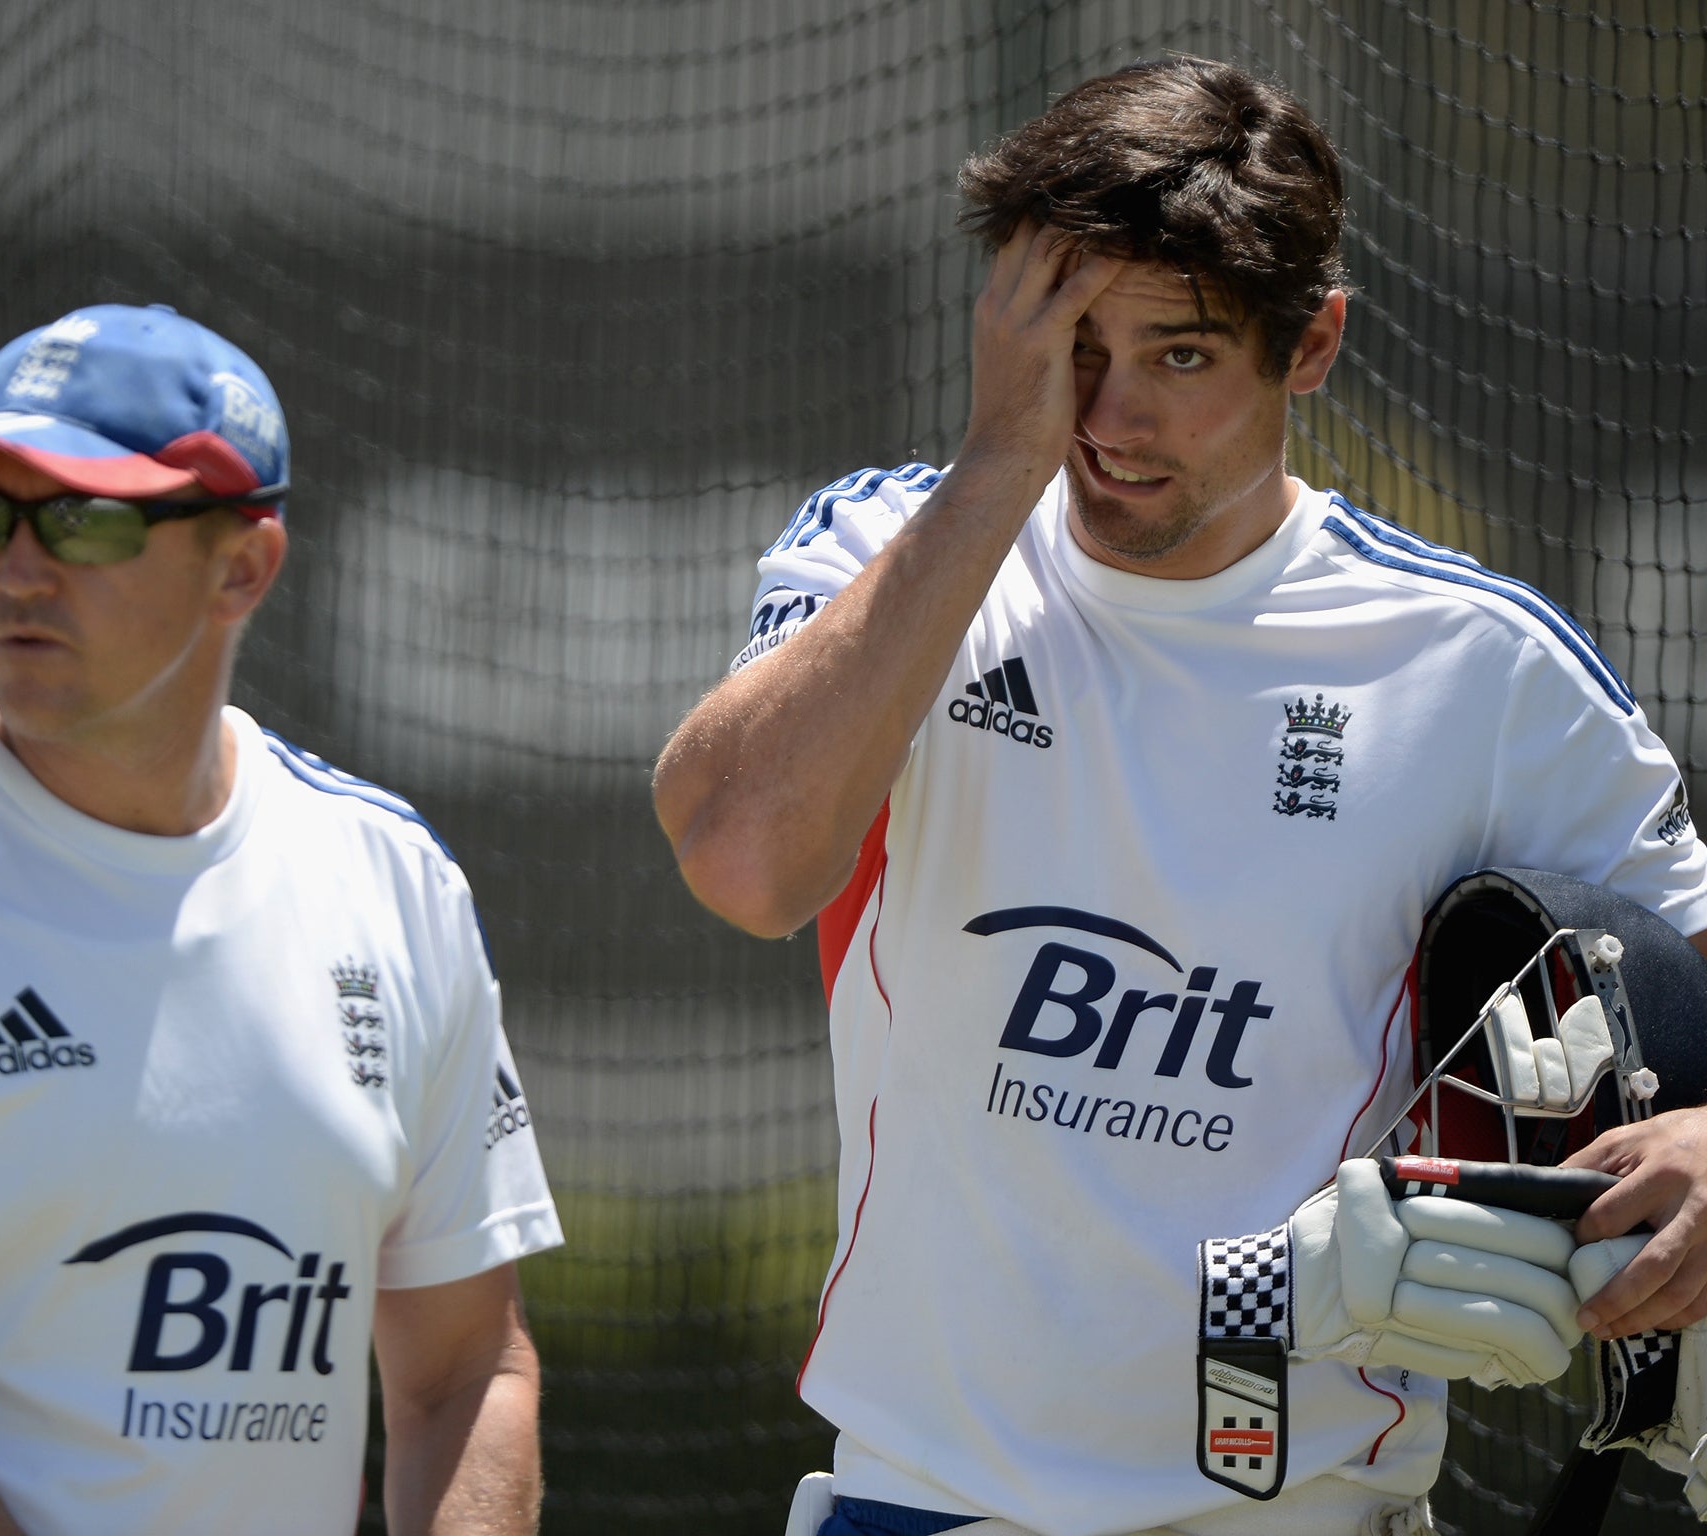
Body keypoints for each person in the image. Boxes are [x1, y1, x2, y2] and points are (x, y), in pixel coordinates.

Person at [652, 56, 1707, 1536]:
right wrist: (1002, 457)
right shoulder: (892, 547)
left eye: (1181, 356)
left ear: (1314, 344)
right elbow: (747, 861)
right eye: (1074, 344)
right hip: (921, 1504)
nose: (1112, 415)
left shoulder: (1484, 666)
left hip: (1310, 1511)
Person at [0, 303, 562, 1535]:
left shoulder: (394, 878)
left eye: (82, 517)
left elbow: (468, 1372)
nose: (14, 568)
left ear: (243, 564)